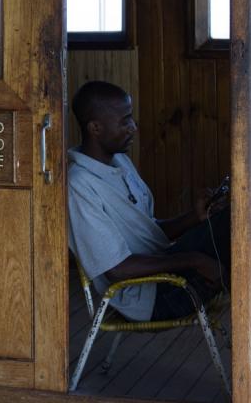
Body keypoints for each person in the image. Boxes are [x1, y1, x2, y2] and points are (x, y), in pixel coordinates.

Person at [68, 80, 230, 322]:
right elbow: (117, 269)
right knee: (239, 237)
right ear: (95, 128)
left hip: (166, 265)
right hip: (149, 295)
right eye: (124, 121)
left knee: (236, 217)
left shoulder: (119, 160)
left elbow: (149, 233)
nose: (133, 127)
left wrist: (195, 217)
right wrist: (195, 260)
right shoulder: (79, 184)